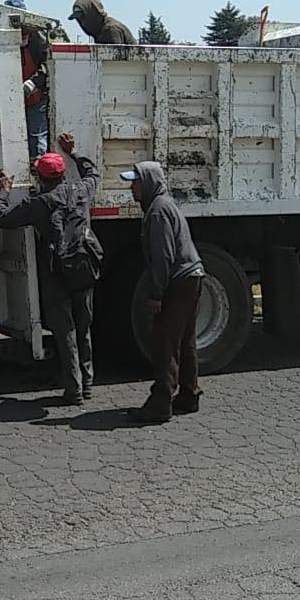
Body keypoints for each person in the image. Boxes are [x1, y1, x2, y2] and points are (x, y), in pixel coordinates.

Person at [0, 134, 101, 406]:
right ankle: (87, 385)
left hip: (57, 273)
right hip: (85, 267)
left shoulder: (39, 203)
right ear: (63, 174)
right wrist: (74, 152)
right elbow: (93, 173)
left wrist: (4, 191)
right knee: (84, 326)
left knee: (65, 331)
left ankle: (73, 389)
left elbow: (0, 218)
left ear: (41, 179)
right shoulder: (81, 191)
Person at [120, 162, 204, 424]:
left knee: (165, 341)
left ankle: (160, 402)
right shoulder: (164, 205)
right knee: (185, 339)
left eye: (135, 182)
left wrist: (157, 293)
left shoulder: (157, 212)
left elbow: (162, 256)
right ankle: (189, 394)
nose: (131, 187)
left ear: (147, 183)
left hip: (179, 280)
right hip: (192, 276)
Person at [5, 0, 50, 161]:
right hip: (10, 98)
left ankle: (39, 172)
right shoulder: (2, 34)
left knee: (37, 138)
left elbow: (47, 63)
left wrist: (34, 82)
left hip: (35, 97)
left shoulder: (36, 35)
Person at [69, 0, 136, 45]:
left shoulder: (110, 30)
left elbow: (112, 62)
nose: (82, 24)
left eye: (83, 18)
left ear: (93, 14)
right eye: (79, 20)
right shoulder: (101, 30)